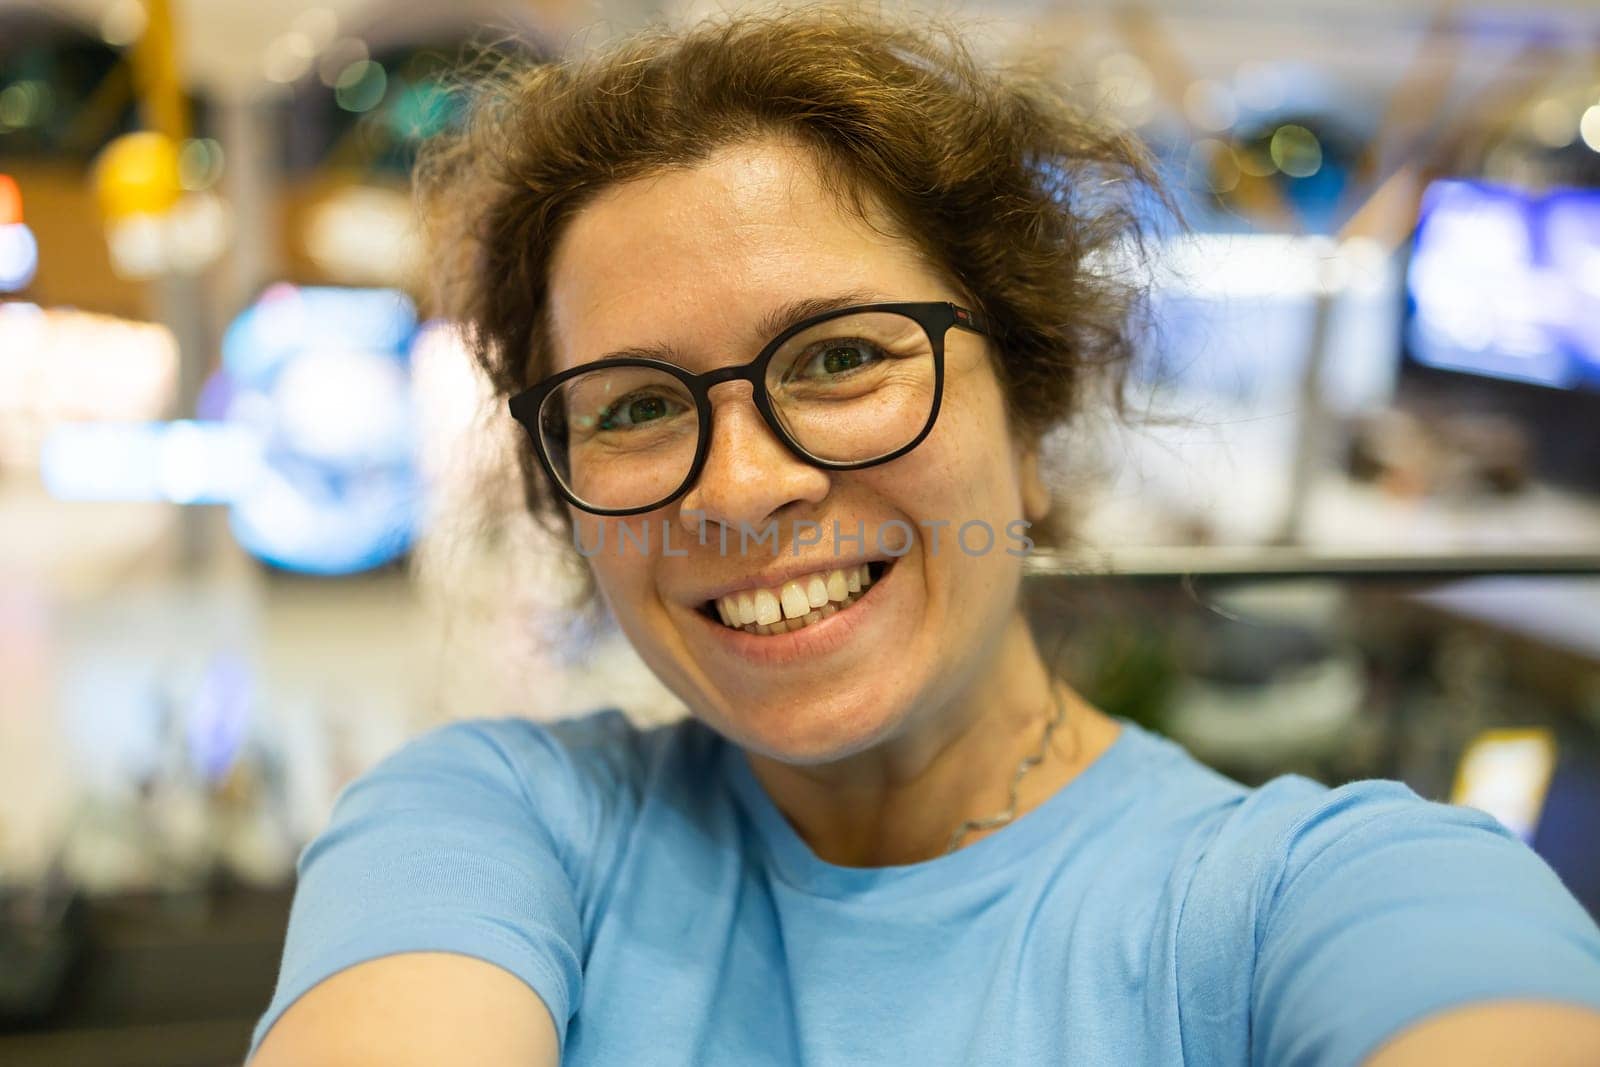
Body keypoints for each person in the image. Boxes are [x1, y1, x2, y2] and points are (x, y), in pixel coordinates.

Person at [248, 9, 1600, 1065]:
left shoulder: (1306, 902)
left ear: (1030, 410)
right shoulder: (498, 828)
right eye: (640, 405)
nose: (745, 485)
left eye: (838, 358)